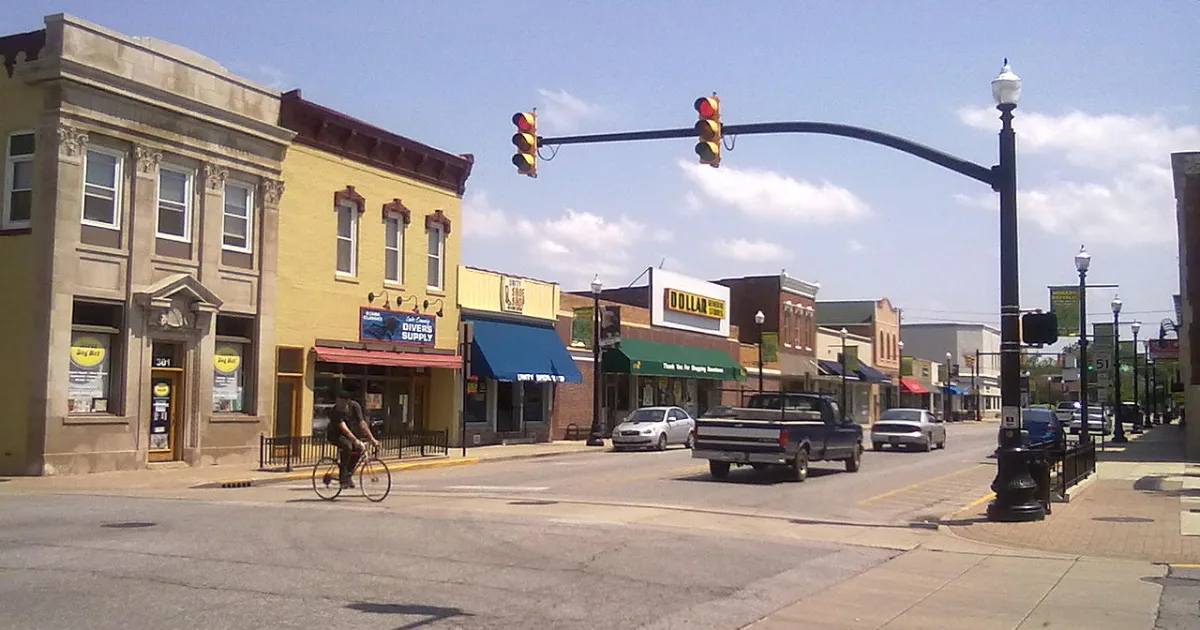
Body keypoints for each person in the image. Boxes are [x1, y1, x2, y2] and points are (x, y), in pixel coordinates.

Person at [325, 388, 380, 487]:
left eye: (341, 401)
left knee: (358, 449)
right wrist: (355, 440)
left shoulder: (355, 406)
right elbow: (343, 428)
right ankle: (343, 477)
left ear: (347, 401)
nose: (338, 403)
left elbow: (362, 423)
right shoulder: (335, 411)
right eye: (337, 400)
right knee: (347, 446)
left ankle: (348, 474)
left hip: (348, 434)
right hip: (335, 435)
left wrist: (372, 439)